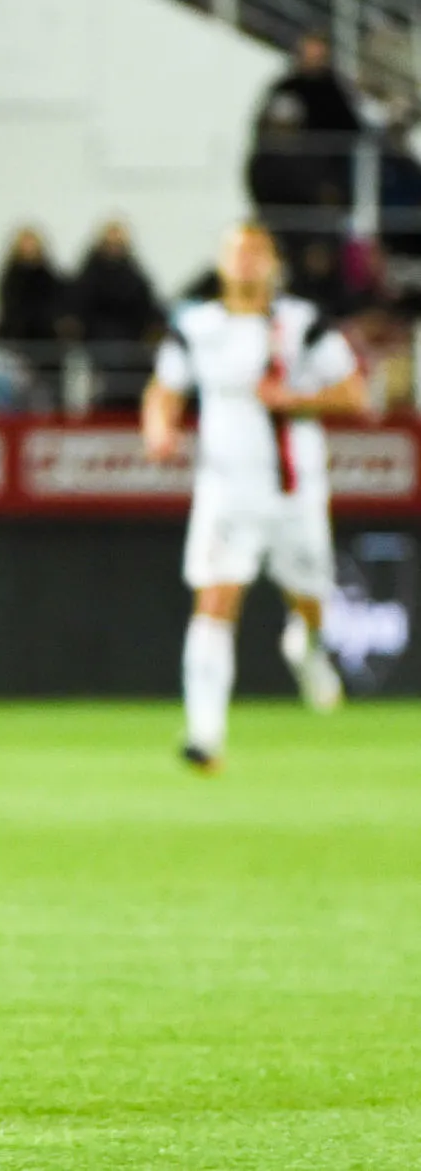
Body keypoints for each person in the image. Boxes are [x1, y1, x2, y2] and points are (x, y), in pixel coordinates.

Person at [141, 224, 364, 773]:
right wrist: (158, 428)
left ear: (274, 264)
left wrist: (292, 399)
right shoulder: (196, 326)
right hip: (226, 487)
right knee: (215, 600)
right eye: (236, 251)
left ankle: (306, 645)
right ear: (221, 263)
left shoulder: (302, 323)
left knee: (310, 599)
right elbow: (164, 389)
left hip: (293, 487)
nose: (245, 260)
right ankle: (204, 734)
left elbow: (354, 394)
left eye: (256, 251)